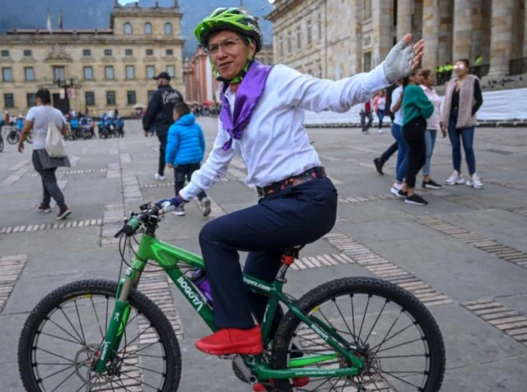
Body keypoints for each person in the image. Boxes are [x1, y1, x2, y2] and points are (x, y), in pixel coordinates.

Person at [153, 7, 423, 390]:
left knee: (214, 236)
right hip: (277, 202)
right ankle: (287, 362)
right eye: (213, 48)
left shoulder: (277, 79)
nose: (220, 53)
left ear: (250, 46)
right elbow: (218, 157)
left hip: (306, 197)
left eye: (229, 43)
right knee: (251, 286)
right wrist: (179, 196)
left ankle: (238, 331)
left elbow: (333, 95)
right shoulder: (231, 98)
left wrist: (384, 74)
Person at [18, 88, 72, 220]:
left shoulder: (34, 110)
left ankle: (62, 206)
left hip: (40, 149)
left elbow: (25, 129)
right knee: (47, 175)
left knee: (48, 178)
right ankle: (45, 203)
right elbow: (65, 131)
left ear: (38, 99)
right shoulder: (58, 112)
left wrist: (20, 142)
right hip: (54, 150)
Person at [441, 59, 484, 189]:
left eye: (461, 65)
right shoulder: (451, 83)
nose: (458, 68)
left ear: (467, 67)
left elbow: (479, 100)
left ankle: (473, 175)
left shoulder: (473, 80)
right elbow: (447, 102)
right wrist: (444, 120)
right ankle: (457, 173)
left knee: (468, 147)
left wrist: (470, 112)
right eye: (456, 65)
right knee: (455, 146)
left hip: (466, 118)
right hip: (452, 117)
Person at [165, 102, 211, 217]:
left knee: (179, 183)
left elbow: (172, 146)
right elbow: (202, 142)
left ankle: (179, 207)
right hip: (195, 160)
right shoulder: (196, 126)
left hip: (181, 162)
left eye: (173, 113)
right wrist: (199, 155)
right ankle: (203, 198)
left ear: (177, 114)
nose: (172, 115)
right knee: (195, 181)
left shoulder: (174, 128)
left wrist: (169, 160)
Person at [400, 70, 434, 205]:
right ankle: (411, 192)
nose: (422, 78)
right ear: (411, 77)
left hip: (410, 127)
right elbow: (427, 107)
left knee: (418, 158)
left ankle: (405, 187)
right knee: (417, 158)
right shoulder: (414, 88)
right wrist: (427, 109)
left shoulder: (408, 89)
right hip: (415, 126)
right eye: (419, 75)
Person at [142, 71, 183, 181]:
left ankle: (182, 178)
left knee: (171, 153)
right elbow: (184, 110)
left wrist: (146, 127)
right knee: (163, 149)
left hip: (164, 129)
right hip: (178, 128)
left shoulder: (158, 94)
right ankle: (160, 173)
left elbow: (151, 111)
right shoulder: (177, 94)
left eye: (158, 79)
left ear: (163, 80)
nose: (156, 82)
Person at [419, 69, 446, 189]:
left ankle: (426, 178)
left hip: (434, 125)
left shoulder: (433, 91)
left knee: (429, 153)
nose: (434, 78)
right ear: (424, 79)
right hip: (424, 125)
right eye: (431, 76)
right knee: (426, 152)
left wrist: (441, 124)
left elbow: (437, 109)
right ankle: (425, 178)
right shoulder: (420, 90)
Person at [389, 78, 408, 196]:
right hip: (400, 125)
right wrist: (401, 98)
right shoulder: (398, 91)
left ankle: (399, 180)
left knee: (402, 153)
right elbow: (393, 109)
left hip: (404, 125)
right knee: (409, 154)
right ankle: (398, 182)